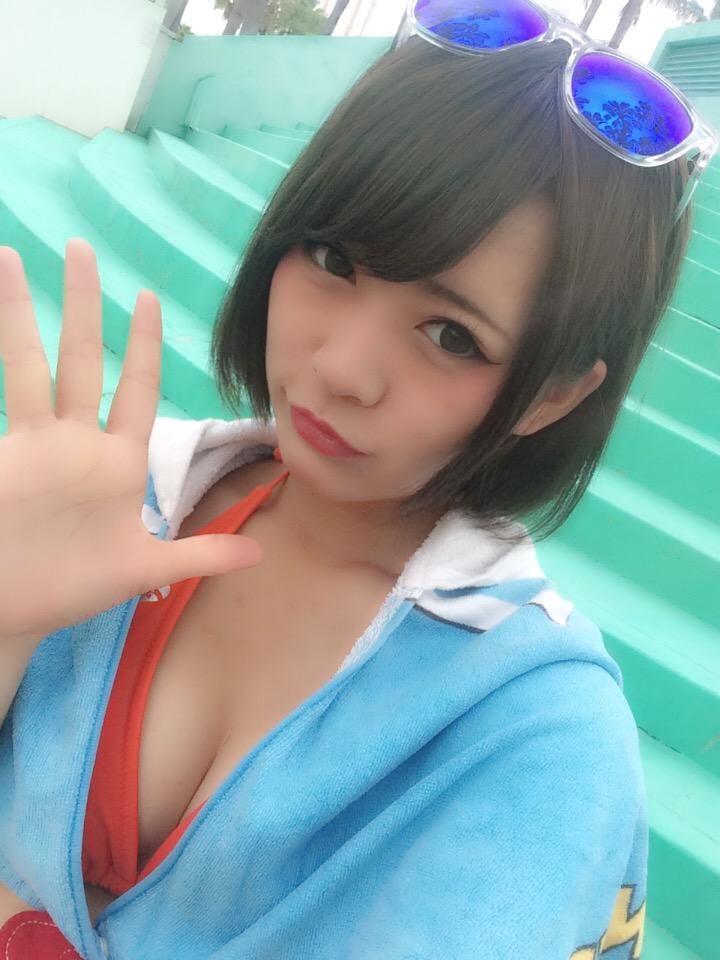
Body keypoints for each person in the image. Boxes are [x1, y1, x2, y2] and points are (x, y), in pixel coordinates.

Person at [0, 1, 716, 957]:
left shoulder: (538, 741)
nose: (342, 368)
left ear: (550, 394)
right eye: (334, 259)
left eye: (450, 335)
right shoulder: (120, 496)